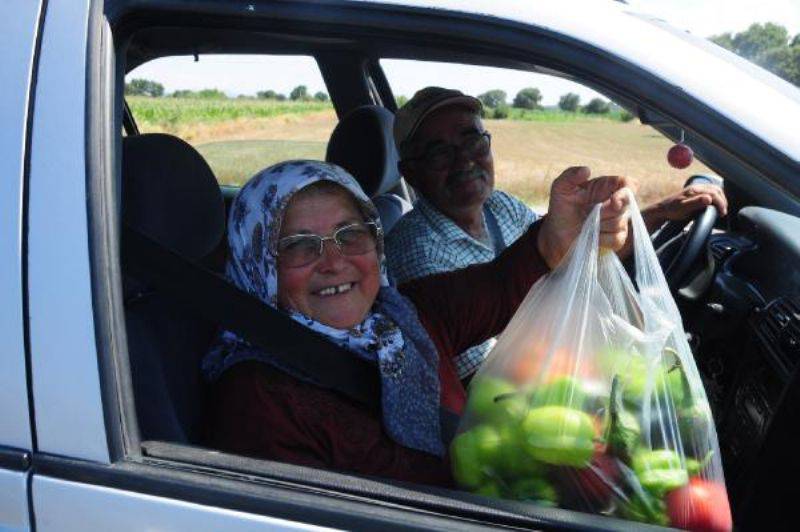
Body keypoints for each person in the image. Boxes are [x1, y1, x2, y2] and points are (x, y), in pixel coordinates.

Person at [203, 159, 632, 487]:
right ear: (258, 263)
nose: (334, 262)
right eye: (299, 245)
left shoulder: (404, 315)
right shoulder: (256, 399)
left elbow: (505, 281)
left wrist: (566, 233)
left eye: (350, 234)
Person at [386, 86, 728, 380]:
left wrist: (661, 212)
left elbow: (567, 254)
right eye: (440, 152)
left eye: (473, 140)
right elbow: (483, 375)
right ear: (411, 174)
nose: (465, 161)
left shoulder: (499, 205)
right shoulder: (416, 248)